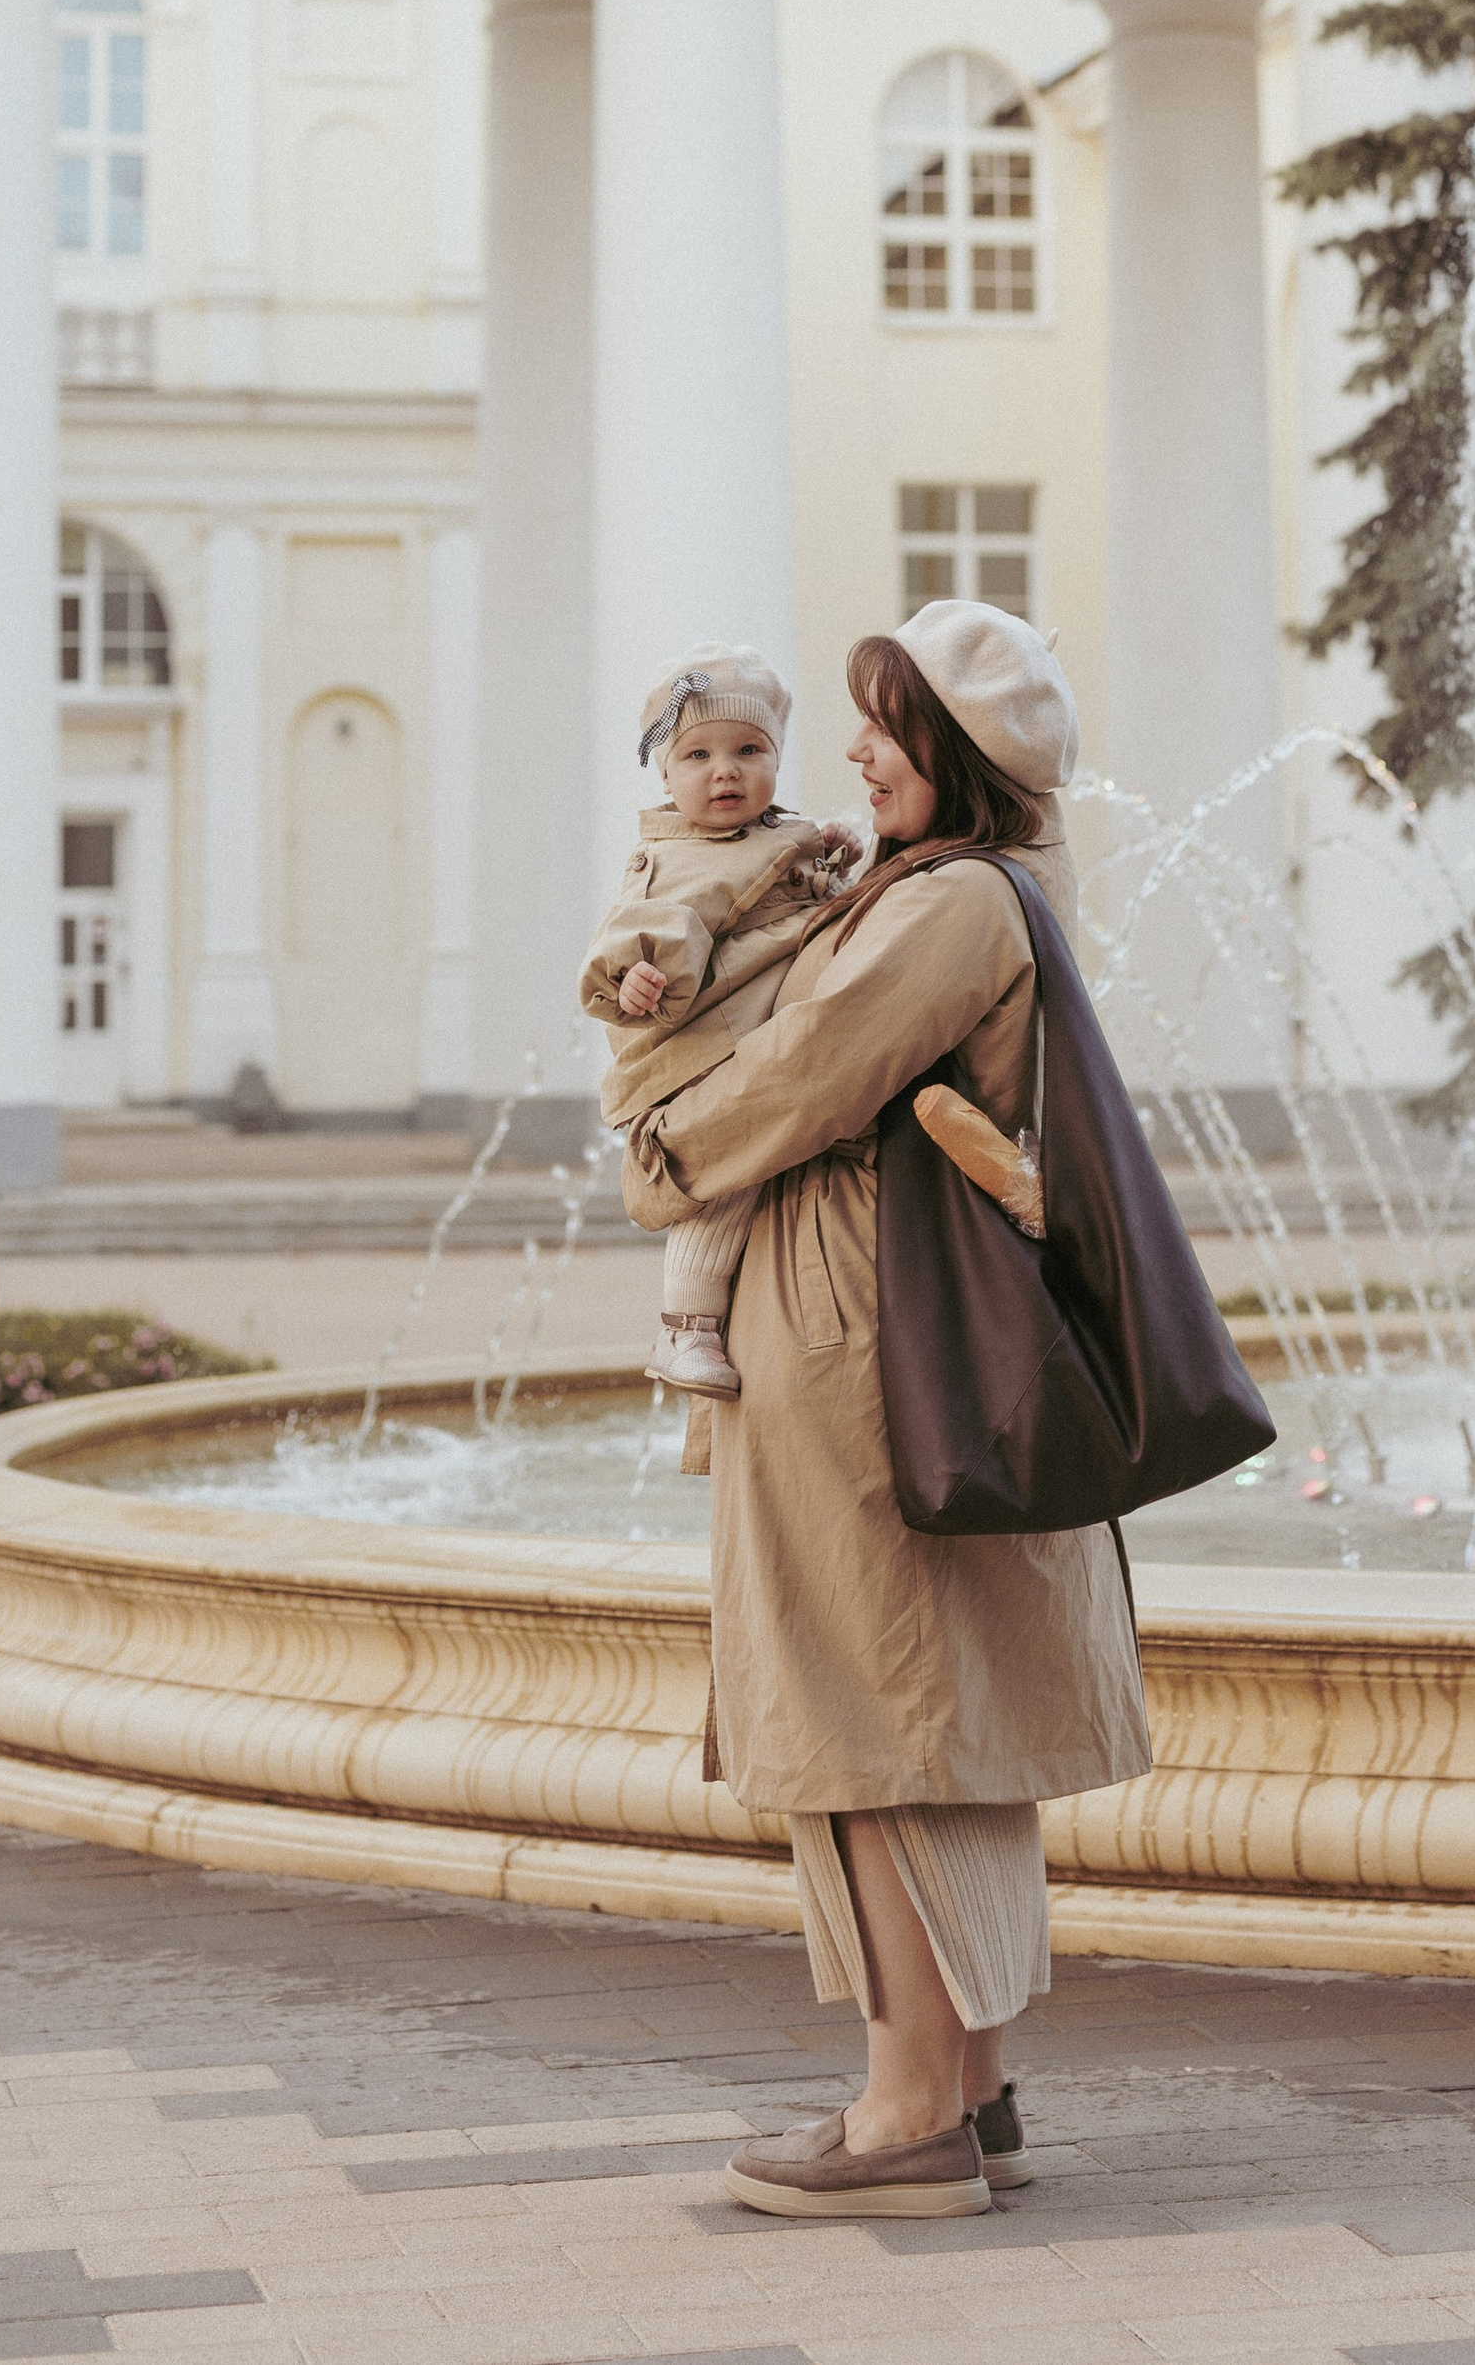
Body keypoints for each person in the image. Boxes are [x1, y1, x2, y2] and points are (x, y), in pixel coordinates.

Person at [621, 599, 1150, 2222]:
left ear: (958, 750)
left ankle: (905, 2112)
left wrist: (660, 1144)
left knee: (868, 1719)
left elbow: (802, 1075)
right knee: (941, 1718)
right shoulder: (975, 884)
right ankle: (968, 2091)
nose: (851, 750)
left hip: (861, 1334)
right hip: (902, 1325)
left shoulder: (950, 904)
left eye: (886, 720)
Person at [578, 643, 856, 1396]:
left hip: (766, 1038)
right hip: (704, 1049)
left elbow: (808, 891)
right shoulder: (673, 858)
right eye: (697, 755)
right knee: (724, 1182)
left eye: (748, 751)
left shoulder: (775, 836)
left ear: (777, 759)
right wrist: (634, 977)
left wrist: (835, 859)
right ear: (666, 776)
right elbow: (630, 934)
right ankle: (685, 1328)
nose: (724, 771)